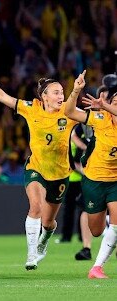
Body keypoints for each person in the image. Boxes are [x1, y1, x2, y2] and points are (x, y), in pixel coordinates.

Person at [0, 59, 80, 270]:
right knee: (35, 206)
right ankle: (31, 254)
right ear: (43, 97)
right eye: (56, 92)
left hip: (60, 173)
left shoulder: (69, 112)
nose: (61, 96)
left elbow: (95, 119)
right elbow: (1, 96)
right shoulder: (31, 108)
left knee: (49, 222)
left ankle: (44, 240)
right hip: (36, 168)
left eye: (62, 92)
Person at [64, 74, 117, 278]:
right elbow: (69, 111)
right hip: (94, 180)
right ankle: (105, 239)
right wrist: (76, 90)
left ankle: (97, 267)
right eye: (114, 101)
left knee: (116, 224)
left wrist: (105, 104)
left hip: (115, 181)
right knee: (95, 230)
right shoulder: (100, 119)